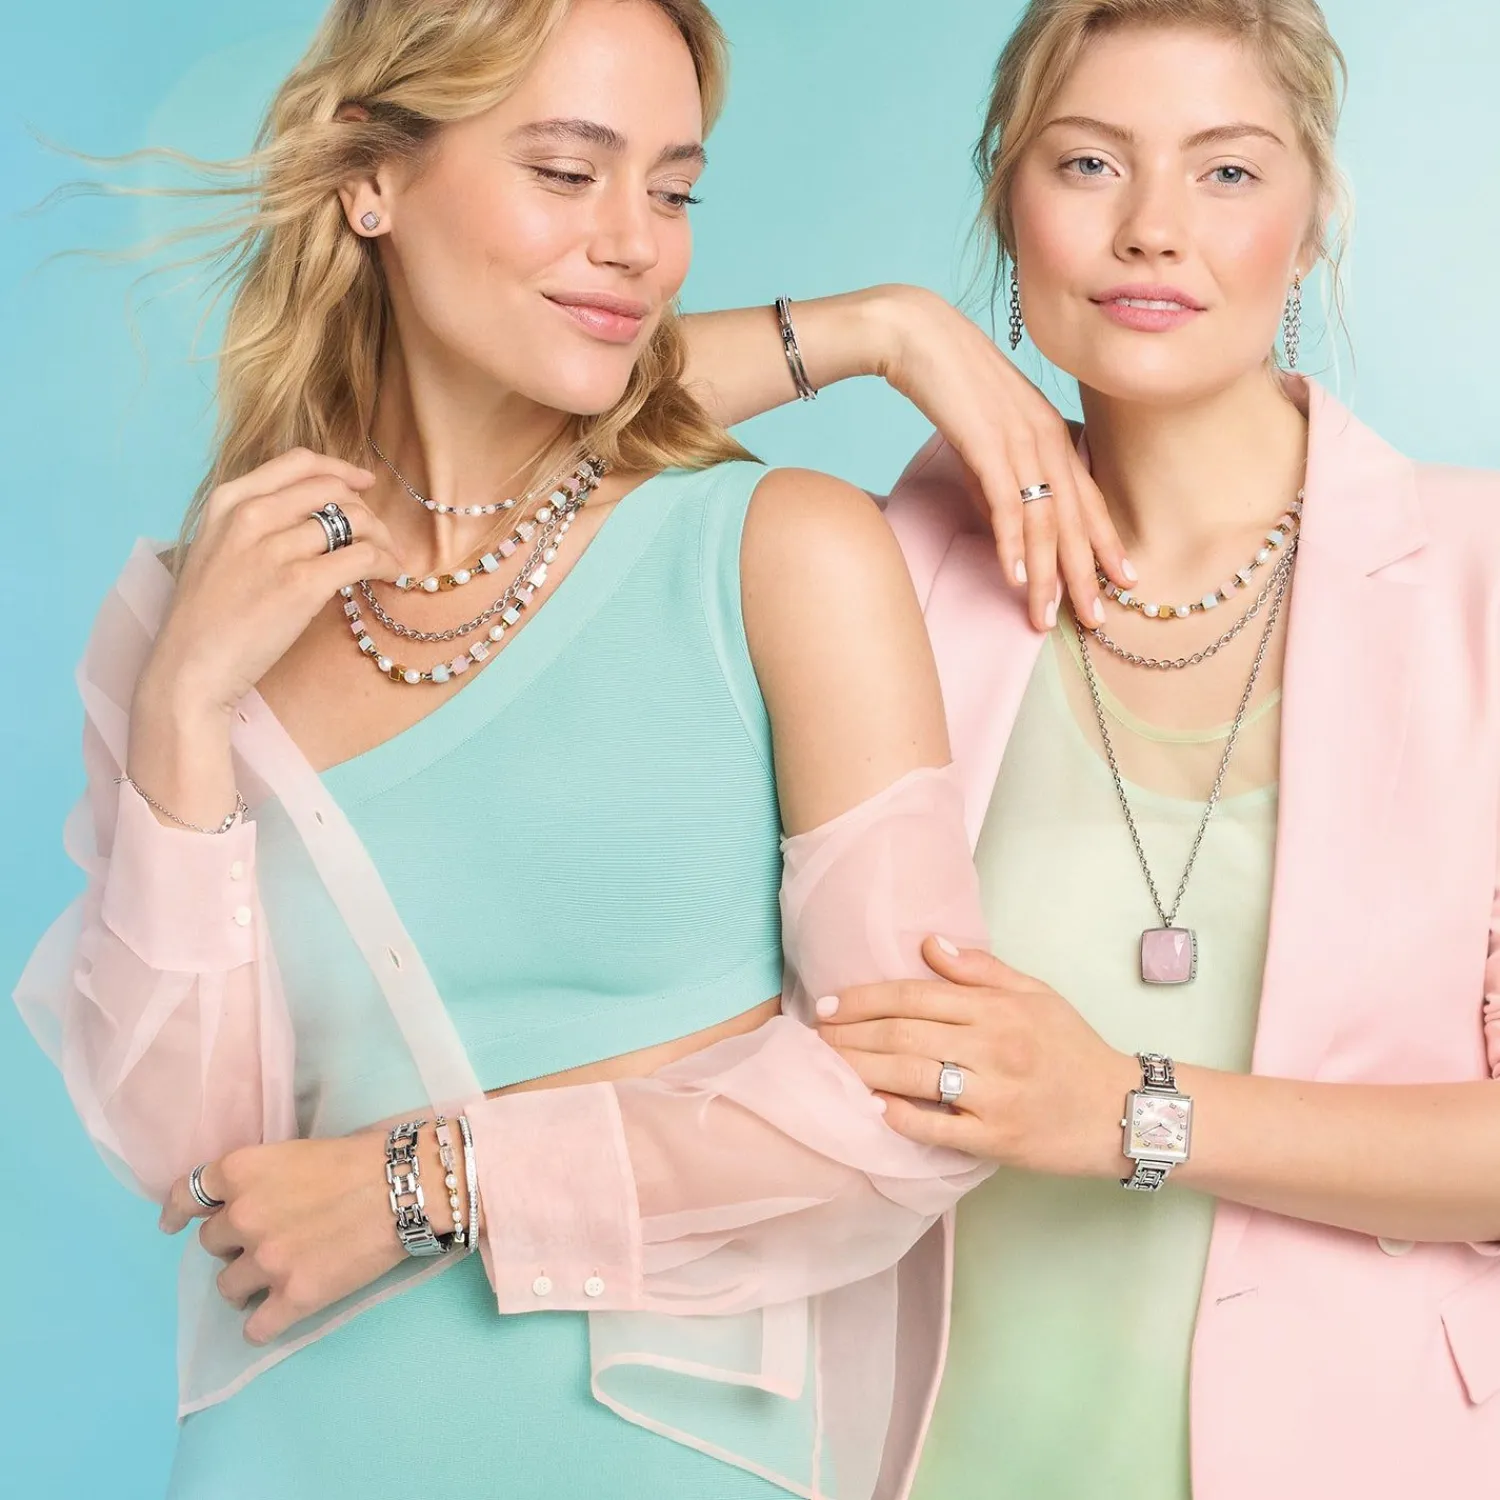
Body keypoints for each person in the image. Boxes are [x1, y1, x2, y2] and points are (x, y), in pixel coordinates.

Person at [6, 0, 1111, 1495]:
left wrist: (434, 1178)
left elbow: (913, 1100)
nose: (637, 244)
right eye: (566, 172)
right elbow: (195, 1156)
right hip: (281, 1451)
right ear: (370, 175)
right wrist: (183, 711)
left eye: (674, 189)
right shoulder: (202, 615)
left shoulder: (776, 555)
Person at [682, 0, 1500, 1495]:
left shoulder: (1477, 583)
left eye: (1227, 171)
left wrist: (1129, 1111)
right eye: (1087, 164)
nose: (1152, 229)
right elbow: (501, 441)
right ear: (1007, 202)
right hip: (930, 1457)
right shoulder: (882, 573)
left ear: (1313, 217)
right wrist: (882, 331)